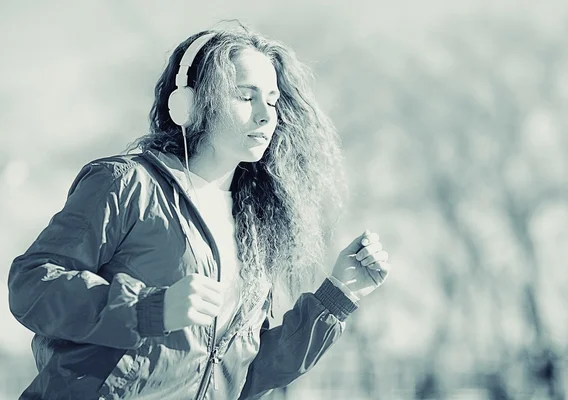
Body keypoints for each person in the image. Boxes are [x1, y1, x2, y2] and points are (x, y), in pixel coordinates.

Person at [8, 23, 390, 400]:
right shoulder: (127, 183)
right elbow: (32, 285)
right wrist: (147, 309)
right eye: (246, 96)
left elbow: (245, 376)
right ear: (190, 102)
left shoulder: (253, 229)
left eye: (272, 100)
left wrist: (338, 295)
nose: (266, 115)